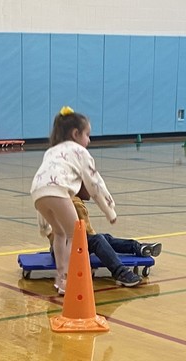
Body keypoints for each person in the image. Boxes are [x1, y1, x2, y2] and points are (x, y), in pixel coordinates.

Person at [31, 107, 117, 296]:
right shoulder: (79, 151)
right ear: (75, 134)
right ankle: (71, 279)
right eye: (87, 134)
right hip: (57, 191)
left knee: (59, 234)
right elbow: (95, 184)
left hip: (37, 193)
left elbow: (43, 185)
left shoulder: (51, 151)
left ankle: (60, 278)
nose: (89, 140)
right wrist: (109, 210)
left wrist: (44, 226)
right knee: (76, 235)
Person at [48, 184, 161, 288]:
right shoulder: (75, 203)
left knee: (103, 238)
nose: (91, 193)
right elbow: (89, 232)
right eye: (88, 188)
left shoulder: (64, 199)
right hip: (66, 251)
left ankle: (138, 247)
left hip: (57, 249)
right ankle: (121, 273)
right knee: (98, 240)